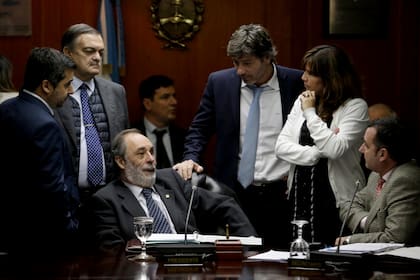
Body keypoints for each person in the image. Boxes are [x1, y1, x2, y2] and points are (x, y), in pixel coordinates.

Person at [174, 23, 304, 249]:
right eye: (236, 63)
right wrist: (191, 157)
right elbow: (199, 129)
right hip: (233, 193)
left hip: (282, 194)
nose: (240, 71)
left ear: (267, 58)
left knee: (280, 260)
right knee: (235, 261)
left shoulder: (296, 83)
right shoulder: (220, 82)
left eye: (247, 63)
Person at [89, 128, 257, 250]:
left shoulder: (171, 180)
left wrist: (251, 246)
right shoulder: (106, 200)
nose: (151, 159)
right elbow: (113, 251)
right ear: (121, 162)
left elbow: (225, 205)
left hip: (192, 265)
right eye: (141, 154)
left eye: (151, 152)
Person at [275, 45, 368, 247]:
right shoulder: (303, 99)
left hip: (336, 201)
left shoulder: (355, 107)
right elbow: (281, 147)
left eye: (310, 73)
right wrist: (316, 153)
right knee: (300, 255)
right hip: (300, 196)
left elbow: (334, 150)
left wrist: (310, 113)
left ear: (330, 78)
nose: (303, 77)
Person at [0, 47, 79, 255]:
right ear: (46, 85)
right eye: (67, 84)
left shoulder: (6, 108)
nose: (71, 91)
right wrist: (69, 228)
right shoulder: (45, 124)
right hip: (44, 239)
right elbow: (52, 189)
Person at [55, 23, 130, 202]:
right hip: (65, 196)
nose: (97, 58)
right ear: (68, 53)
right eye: (89, 51)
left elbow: (124, 143)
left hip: (111, 196)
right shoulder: (53, 92)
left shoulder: (116, 91)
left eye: (100, 52)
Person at [336, 118, 420, 245]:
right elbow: (347, 206)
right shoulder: (376, 175)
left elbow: (395, 238)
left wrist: (350, 240)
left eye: (366, 145)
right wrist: (367, 221)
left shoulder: (406, 180)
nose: (361, 149)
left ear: (382, 154)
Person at [133, 75, 186, 168]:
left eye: (174, 96)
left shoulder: (184, 137)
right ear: (147, 104)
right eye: (165, 97)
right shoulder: (132, 137)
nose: (174, 102)